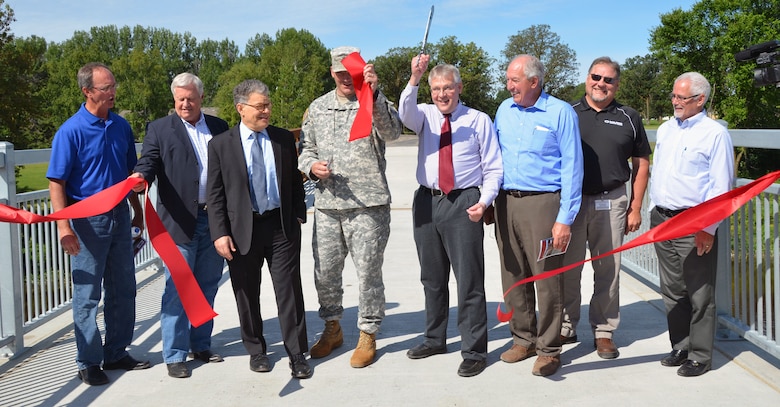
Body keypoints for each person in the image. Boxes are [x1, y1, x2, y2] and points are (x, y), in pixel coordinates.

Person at [398, 54, 502, 377]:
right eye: (436, 89)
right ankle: (434, 338)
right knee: (432, 277)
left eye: (448, 88)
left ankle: (473, 350)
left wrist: (484, 202)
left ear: (459, 88)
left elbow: (494, 167)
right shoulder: (424, 115)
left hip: (464, 202)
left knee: (469, 279)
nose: (442, 94)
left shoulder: (478, 120)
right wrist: (414, 78)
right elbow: (404, 113)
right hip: (427, 202)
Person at [298, 46, 402, 368]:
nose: (346, 78)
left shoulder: (373, 102)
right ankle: (332, 328)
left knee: (368, 271)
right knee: (325, 272)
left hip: (368, 205)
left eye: (352, 72)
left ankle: (368, 333)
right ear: (332, 72)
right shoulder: (317, 108)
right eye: (340, 72)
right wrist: (312, 165)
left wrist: (375, 91)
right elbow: (305, 148)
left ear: (361, 71)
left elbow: (393, 132)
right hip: (328, 205)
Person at [47, 62, 150, 386]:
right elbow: (56, 183)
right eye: (106, 88)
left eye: (113, 86)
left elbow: (127, 177)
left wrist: (138, 210)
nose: (112, 92)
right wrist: (64, 228)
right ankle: (88, 362)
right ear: (87, 91)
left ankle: (116, 351)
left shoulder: (121, 127)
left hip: (120, 216)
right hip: (85, 221)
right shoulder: (70, 131)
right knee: (88, 295)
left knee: (123, 289)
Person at [206, 79, 311, 379]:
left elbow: (294, 182)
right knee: (246, 293)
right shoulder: (221, 145)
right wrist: (220, 233)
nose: (266, 110)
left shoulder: (280, 138)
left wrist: (298, 215)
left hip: (281, 227)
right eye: (260, 106)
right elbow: (215, 194)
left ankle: (296, 354)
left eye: (268, 105)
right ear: (241, 108)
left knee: (289, 291)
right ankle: (256, 350)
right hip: (242, 230)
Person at [131, 73, 229, 378]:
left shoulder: (219, 127)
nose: (185, 104)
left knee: (207, 284)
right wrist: (140, 177)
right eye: (180, 99)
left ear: (200, 99)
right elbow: (149, 161)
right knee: (177, 287)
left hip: (213, 219)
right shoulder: (160, 129)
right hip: (177, 221)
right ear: (174, 100)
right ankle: (174, 353)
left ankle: (200, 344)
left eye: (190, 98)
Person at [493, 55, 583, 377]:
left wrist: (565, 217)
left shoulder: (560, 113)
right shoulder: (504, 110)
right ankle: (523, 339)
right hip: (507, 203)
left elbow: (573, 167)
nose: (508, 86)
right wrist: (490, 200)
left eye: (514, 80)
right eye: (508, 80)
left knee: (547, 280)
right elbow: (493, 158)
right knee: (513, 274)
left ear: (534, 81)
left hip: (544, 205)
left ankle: (548, 349)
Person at [562, 57, 651, 359]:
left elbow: (641, 164)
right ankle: (565, 325)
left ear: (617, 85)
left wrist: (636, 206)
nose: (601, 83)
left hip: (612, 201)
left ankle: (603, 331)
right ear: (587, 78)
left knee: (608, 269)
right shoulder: (567, 112)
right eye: (595, 77)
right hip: (572, 204)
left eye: (608, 79)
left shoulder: (629, 116)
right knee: (567, 269)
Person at [649, 72, 734, 377]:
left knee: (700, 293)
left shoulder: (714, 134)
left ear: (700, 100)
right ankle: (681, 346)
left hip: (694, 223)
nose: (675, 102)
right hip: (663, 220)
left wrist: (708, 228)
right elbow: (659, 172)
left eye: (681, 98)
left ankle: (700, 355)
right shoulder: (667, 129)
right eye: (673, 96)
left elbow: (722, 186)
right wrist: (651, 210)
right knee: (672, 290)